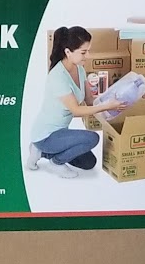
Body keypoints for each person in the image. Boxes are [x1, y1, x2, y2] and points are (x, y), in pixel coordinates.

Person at [27, 25, 113, 177]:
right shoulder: (58, 77)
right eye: (83, 52)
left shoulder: (80, 69)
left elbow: (89, 100)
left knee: (88, 163)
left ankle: (41, 153)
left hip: (61, 132)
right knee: (92, 138)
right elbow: (76, 110)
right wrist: (107, 106)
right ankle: (56, 162)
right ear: (68, 52)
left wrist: (111, 103)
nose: (88, 56)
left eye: (88, 51)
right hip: (46, 135)